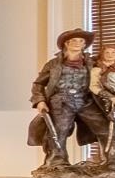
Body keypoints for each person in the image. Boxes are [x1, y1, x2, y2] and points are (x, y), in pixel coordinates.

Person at [28, 28, 108, 169]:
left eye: (81, 41)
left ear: (84, 45)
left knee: (104, 128)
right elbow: (38, 84)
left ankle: (111, 161)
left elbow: (110, 75)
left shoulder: (93, 63)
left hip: (86, 100)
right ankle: (57, 163)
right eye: (74, 40)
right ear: (66, 43)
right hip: (61, 101)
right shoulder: (53, 64)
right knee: (58, 131)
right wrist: (40, 101)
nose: (77, 43)